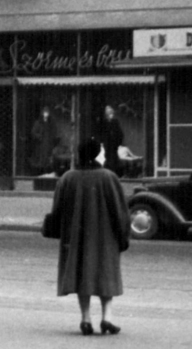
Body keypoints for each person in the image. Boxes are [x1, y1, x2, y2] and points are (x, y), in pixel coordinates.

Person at [44, 136, 130, 335]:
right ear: (97, 154)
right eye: (102, 150)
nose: (104, 154)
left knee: (82, 275)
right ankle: (107, 318)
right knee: (106, 274)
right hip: (105, 238)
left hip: (77, 238)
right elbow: (120, 211)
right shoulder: (109, 177)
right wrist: (123, 235)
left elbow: (57, 211)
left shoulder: (67, 178)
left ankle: (85, 319)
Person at [30, 108, 59, 174]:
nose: (45, 116)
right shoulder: (38, 123)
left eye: (47, 114)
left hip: (48, 144)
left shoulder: (51, 123)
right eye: (44, 114)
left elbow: (54, 132)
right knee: (40, 159)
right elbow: (33, 132)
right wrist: (39, 136)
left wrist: (53, 138)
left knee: (48, 158)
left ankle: (47, 171)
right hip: (40, 145)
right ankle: (39, 171)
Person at [101, 104, 125, 177]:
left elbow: (120, 133)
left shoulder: (115, 122)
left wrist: (118, 143)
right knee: (109, 158)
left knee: (113, 158)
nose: (111, 115)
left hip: (113, 145)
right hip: (108, 145)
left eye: (111, 113)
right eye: (108, 113)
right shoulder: (105, 123)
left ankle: (113, 172)